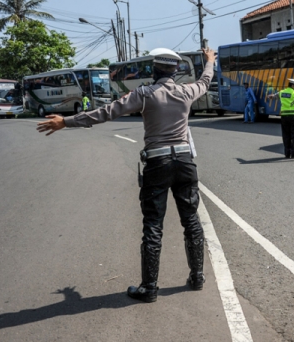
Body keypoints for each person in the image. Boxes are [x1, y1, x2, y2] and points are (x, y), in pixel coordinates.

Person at [36, 47, 216, 303]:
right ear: (176, 71)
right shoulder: (187, 91)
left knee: (153, 225)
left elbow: (106, 112)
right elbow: (205, 81)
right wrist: (209, 61)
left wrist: (65, 122)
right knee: (191, 221)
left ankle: (149, 288)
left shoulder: (144, 94)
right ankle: (197, 277)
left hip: (158, 163)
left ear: (154, 70)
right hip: (186, 162)